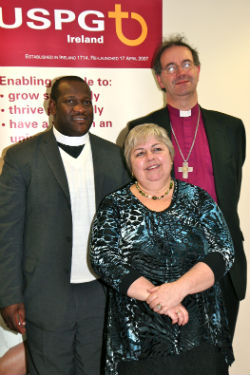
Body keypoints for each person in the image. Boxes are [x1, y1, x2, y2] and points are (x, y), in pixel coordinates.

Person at [0, 75, 130, 375]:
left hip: (101, 293)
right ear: (52, 106)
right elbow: (7, 233)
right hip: (45, 294)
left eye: (86, 101)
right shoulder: (21, 158)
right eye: (71, 101)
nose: (80, 108)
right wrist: (9, 296)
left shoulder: (114, 157)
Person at [127, 35, 246, 340]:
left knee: (218, 356)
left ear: (198, 70)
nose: (180, 72)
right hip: (165, 268)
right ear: (159, 79)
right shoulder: (139, 130)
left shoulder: (231, 128)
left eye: (186, 64)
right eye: (170, 67)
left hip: (222, 261)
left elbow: (232, 187)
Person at [90, 123, 235, 375]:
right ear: (130, 164)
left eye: (157, 149)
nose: (150, 157)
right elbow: (103, 258)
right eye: (139, 153)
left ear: (170, 155)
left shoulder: (197, 198)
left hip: (200, 333)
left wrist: (178, 289)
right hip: (139, 340)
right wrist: (160, 298)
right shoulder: (114, 205)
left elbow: (223, 251)